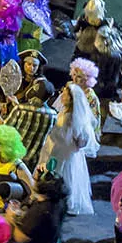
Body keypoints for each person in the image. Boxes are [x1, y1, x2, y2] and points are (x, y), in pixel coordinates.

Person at [40, 59, 100, 217]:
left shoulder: (81, 107)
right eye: (74, 75)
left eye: (80, 77)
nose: (75, 79)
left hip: (66, 151)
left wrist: (72, 143)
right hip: (57, 148)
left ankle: (64, 201)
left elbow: (84, 133)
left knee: (66, 174)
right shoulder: (68, 99)